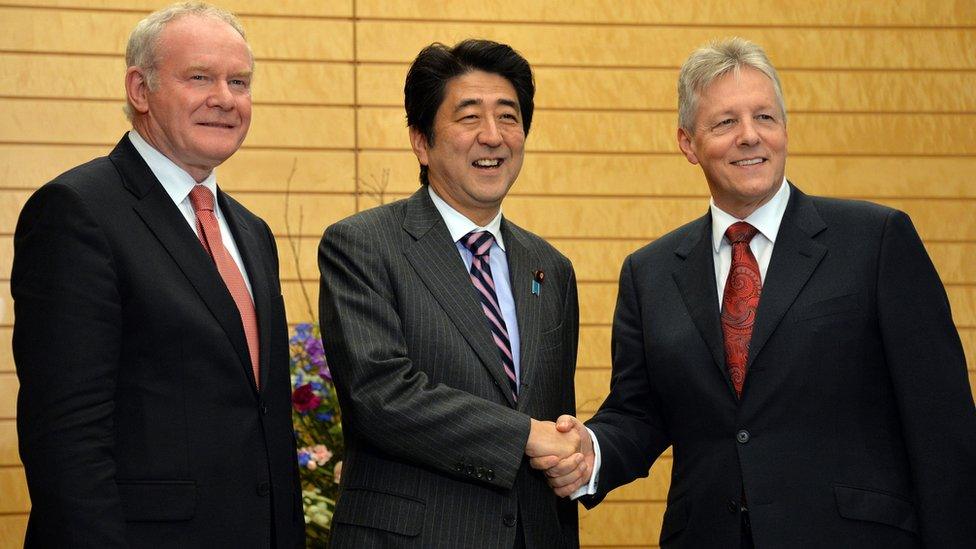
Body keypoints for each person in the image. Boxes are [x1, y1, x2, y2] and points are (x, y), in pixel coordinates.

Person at [536, 37, 976, 547]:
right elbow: (639, 412)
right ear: (687, 143)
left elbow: (942, 427)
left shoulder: (876, 240)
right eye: (726, 123)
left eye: (765, 117)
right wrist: (591, 451)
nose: (751, 137)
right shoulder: (649, 272)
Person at [11, 3, 304, 546]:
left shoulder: (252, 232)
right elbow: (66, 438)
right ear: (139, 90)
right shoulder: (76, 211)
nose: (225, 98)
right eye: (199, 77)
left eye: (238, 81)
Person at [318, 39, 581, 547]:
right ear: (421, 140)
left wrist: (573, 455)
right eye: (468, 117)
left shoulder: (551, 268)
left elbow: (553, 413)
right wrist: (526, 435)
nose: (493, 136)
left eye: (509, 117)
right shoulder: (362, 245)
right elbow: (380, 395)